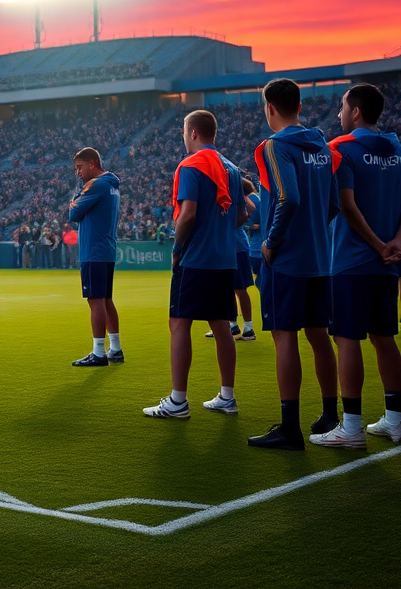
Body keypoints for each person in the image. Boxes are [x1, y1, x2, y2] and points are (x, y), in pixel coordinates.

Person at [312, 84, 401, 449]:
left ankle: (353, 426)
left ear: (355, 111)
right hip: (386, 265)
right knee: (384, 338)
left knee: (347, 340)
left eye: (343, 107)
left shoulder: (341, 149)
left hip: (351, 261)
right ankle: (394, 419)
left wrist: (376, 244)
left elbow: (346, 205)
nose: (339, 114)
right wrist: (396, 242)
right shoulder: (397, 150)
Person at [248, 78, 340, 451]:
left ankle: (289, 427)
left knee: (285, 338)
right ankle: (330, 416)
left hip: (287, 260)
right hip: (320, 259)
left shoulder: (275, 146)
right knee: (319, 336)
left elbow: (288, 198)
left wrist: (272, 241)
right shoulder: (321, 144)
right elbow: (333, 203)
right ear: (299, 107)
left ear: (270, 108)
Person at [144, 110, 245, 418]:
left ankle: (178, 401)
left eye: (183, 132)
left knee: (179, 324)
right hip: (225, 259)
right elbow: (244, 212)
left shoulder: (191, 165)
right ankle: (227, 397)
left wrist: (177, 249)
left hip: (196, 258)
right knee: (222, 325)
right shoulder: (233, 169)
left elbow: (187, 214)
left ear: (193, 133)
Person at [68, 147, 123, 366]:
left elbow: (74, 214)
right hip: (105, 249)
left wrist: (76, 200)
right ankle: (115, 348)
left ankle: (99, 353)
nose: (78, 173)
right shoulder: (111, 185)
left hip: (93, 251)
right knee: (106, 299)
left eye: (80, 167)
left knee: (96, 300)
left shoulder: (97, 185)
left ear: (92, 163)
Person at [205, 176, 257, 341]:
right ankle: (232, 324)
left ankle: (248, 327)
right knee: (229, 289)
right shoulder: (224, 192)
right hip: (228, 248)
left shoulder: (232, 192)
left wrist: (233, 224)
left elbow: (251, 207)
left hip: (237, 247)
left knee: (240, 289)